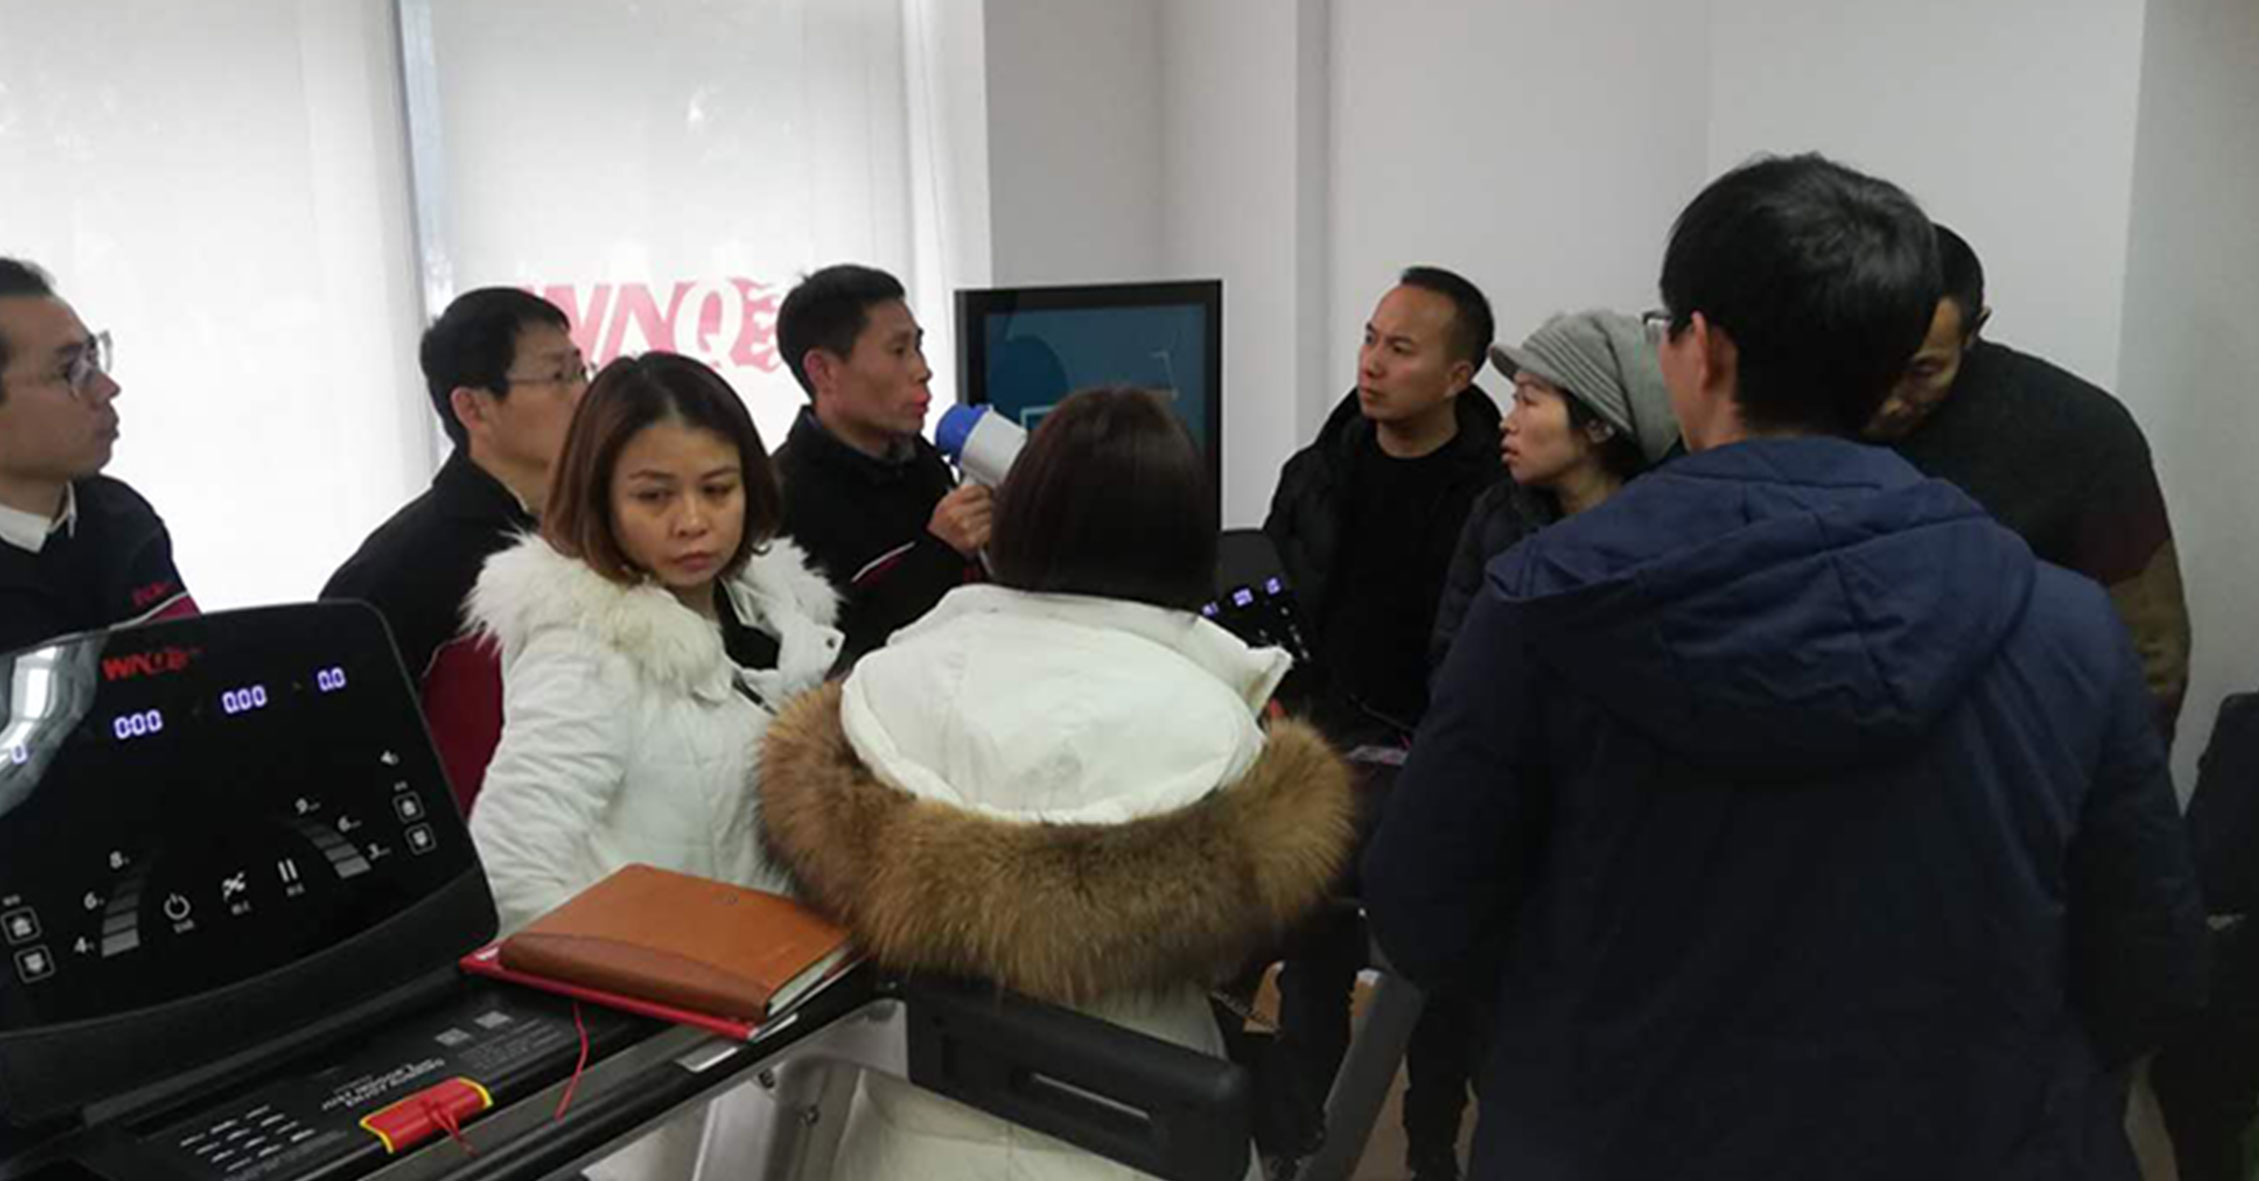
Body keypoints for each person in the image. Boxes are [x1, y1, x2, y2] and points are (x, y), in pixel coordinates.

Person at [1365, 154, 2207, 1181]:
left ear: (1703, 349)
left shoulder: (1542, 607)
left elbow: (1424, 912)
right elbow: (2149, 961)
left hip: (1617, 1131)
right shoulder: (2066, 626)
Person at [759, 387, 1357, 1181]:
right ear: (1185, 536)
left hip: (909, 1134)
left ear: (1022, 512)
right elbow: (1231, 953)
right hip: (1141, 1125)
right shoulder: (1215, 725)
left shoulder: (882, 684)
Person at [465, 352, 842, 1180]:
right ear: (600, 496)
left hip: (778, 1035)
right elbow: (510, 870)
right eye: (653, 496)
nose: (693, 521)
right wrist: (644, 1002)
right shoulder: (584, 649)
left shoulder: (772, 612)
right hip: (651, 1081)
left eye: (717, 488)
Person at [1258, 265, 1503, 1179]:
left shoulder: (1498, 495)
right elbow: (1276, 598)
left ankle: (1432, 1141)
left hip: (1441, 763)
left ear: (1456, 375)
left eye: (1399, 349)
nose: (1370, 363)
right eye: (1369, 339)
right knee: (1310, 963)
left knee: (1438, 977)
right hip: (1320, 753)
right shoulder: (1316, 473)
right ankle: (1300, 1142)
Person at [1867, 225, 2191, 742]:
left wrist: (2109, 783)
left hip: (2021, 755)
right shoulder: (1801, 408)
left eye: (1921, 372)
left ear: (1973, 331)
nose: (1886, 399)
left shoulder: (2079, 431)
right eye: (1869, 364)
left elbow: (2151, 655)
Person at [323, 288, 589, 812]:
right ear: (473, 407)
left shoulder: (601, 526)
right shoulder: (403, 567)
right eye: (559, 377)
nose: (584, 396)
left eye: (582, 371)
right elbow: (345, 747)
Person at [1431, 309, 1680, 663]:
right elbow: (1452, 655)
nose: (1507, 422)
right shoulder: (1499, 516)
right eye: (1514, 399)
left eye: (1529, 400)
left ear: (1598, 425)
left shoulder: (1669, 532)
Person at [772, 264, 986, 661]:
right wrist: (940, 553)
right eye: (898, 351)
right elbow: (825, 657)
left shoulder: (920, 459)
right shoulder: (781, 502)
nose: (923, 370)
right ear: (824, 371)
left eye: (918, 347)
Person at [0, 257, 195, 653]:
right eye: (70, 371)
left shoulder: (120, 519)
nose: (107, 387)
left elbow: (192, 674)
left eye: (93, 358)